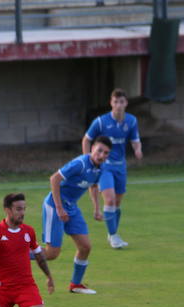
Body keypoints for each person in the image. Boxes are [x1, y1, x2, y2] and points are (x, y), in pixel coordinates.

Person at [42, 136, 112, 295]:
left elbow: (93, 186)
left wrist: (96, 209)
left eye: (106, 153)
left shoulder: (101, 168)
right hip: (54, 205)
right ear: (92, 148)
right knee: (52, 253)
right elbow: (54, 179)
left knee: (85, 247)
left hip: (72, 207)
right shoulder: (80, 163)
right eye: (99, 150)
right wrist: (59, 208)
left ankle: (75, 284)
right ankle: (14, 253)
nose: (101, 155)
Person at [82, 88, 142, 249]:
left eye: (121, 102)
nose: (118, 105)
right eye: (116, 102)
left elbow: (135, 139)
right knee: (109, 200)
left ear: (126, 103)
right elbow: (86, 140)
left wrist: (138, 149)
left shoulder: (131, 121)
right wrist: (88, 159)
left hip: (120, 167)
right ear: (111, 103)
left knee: (116, 204)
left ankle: (112, 233)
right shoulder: (101, 121)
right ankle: (114, 236)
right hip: (105, 167)